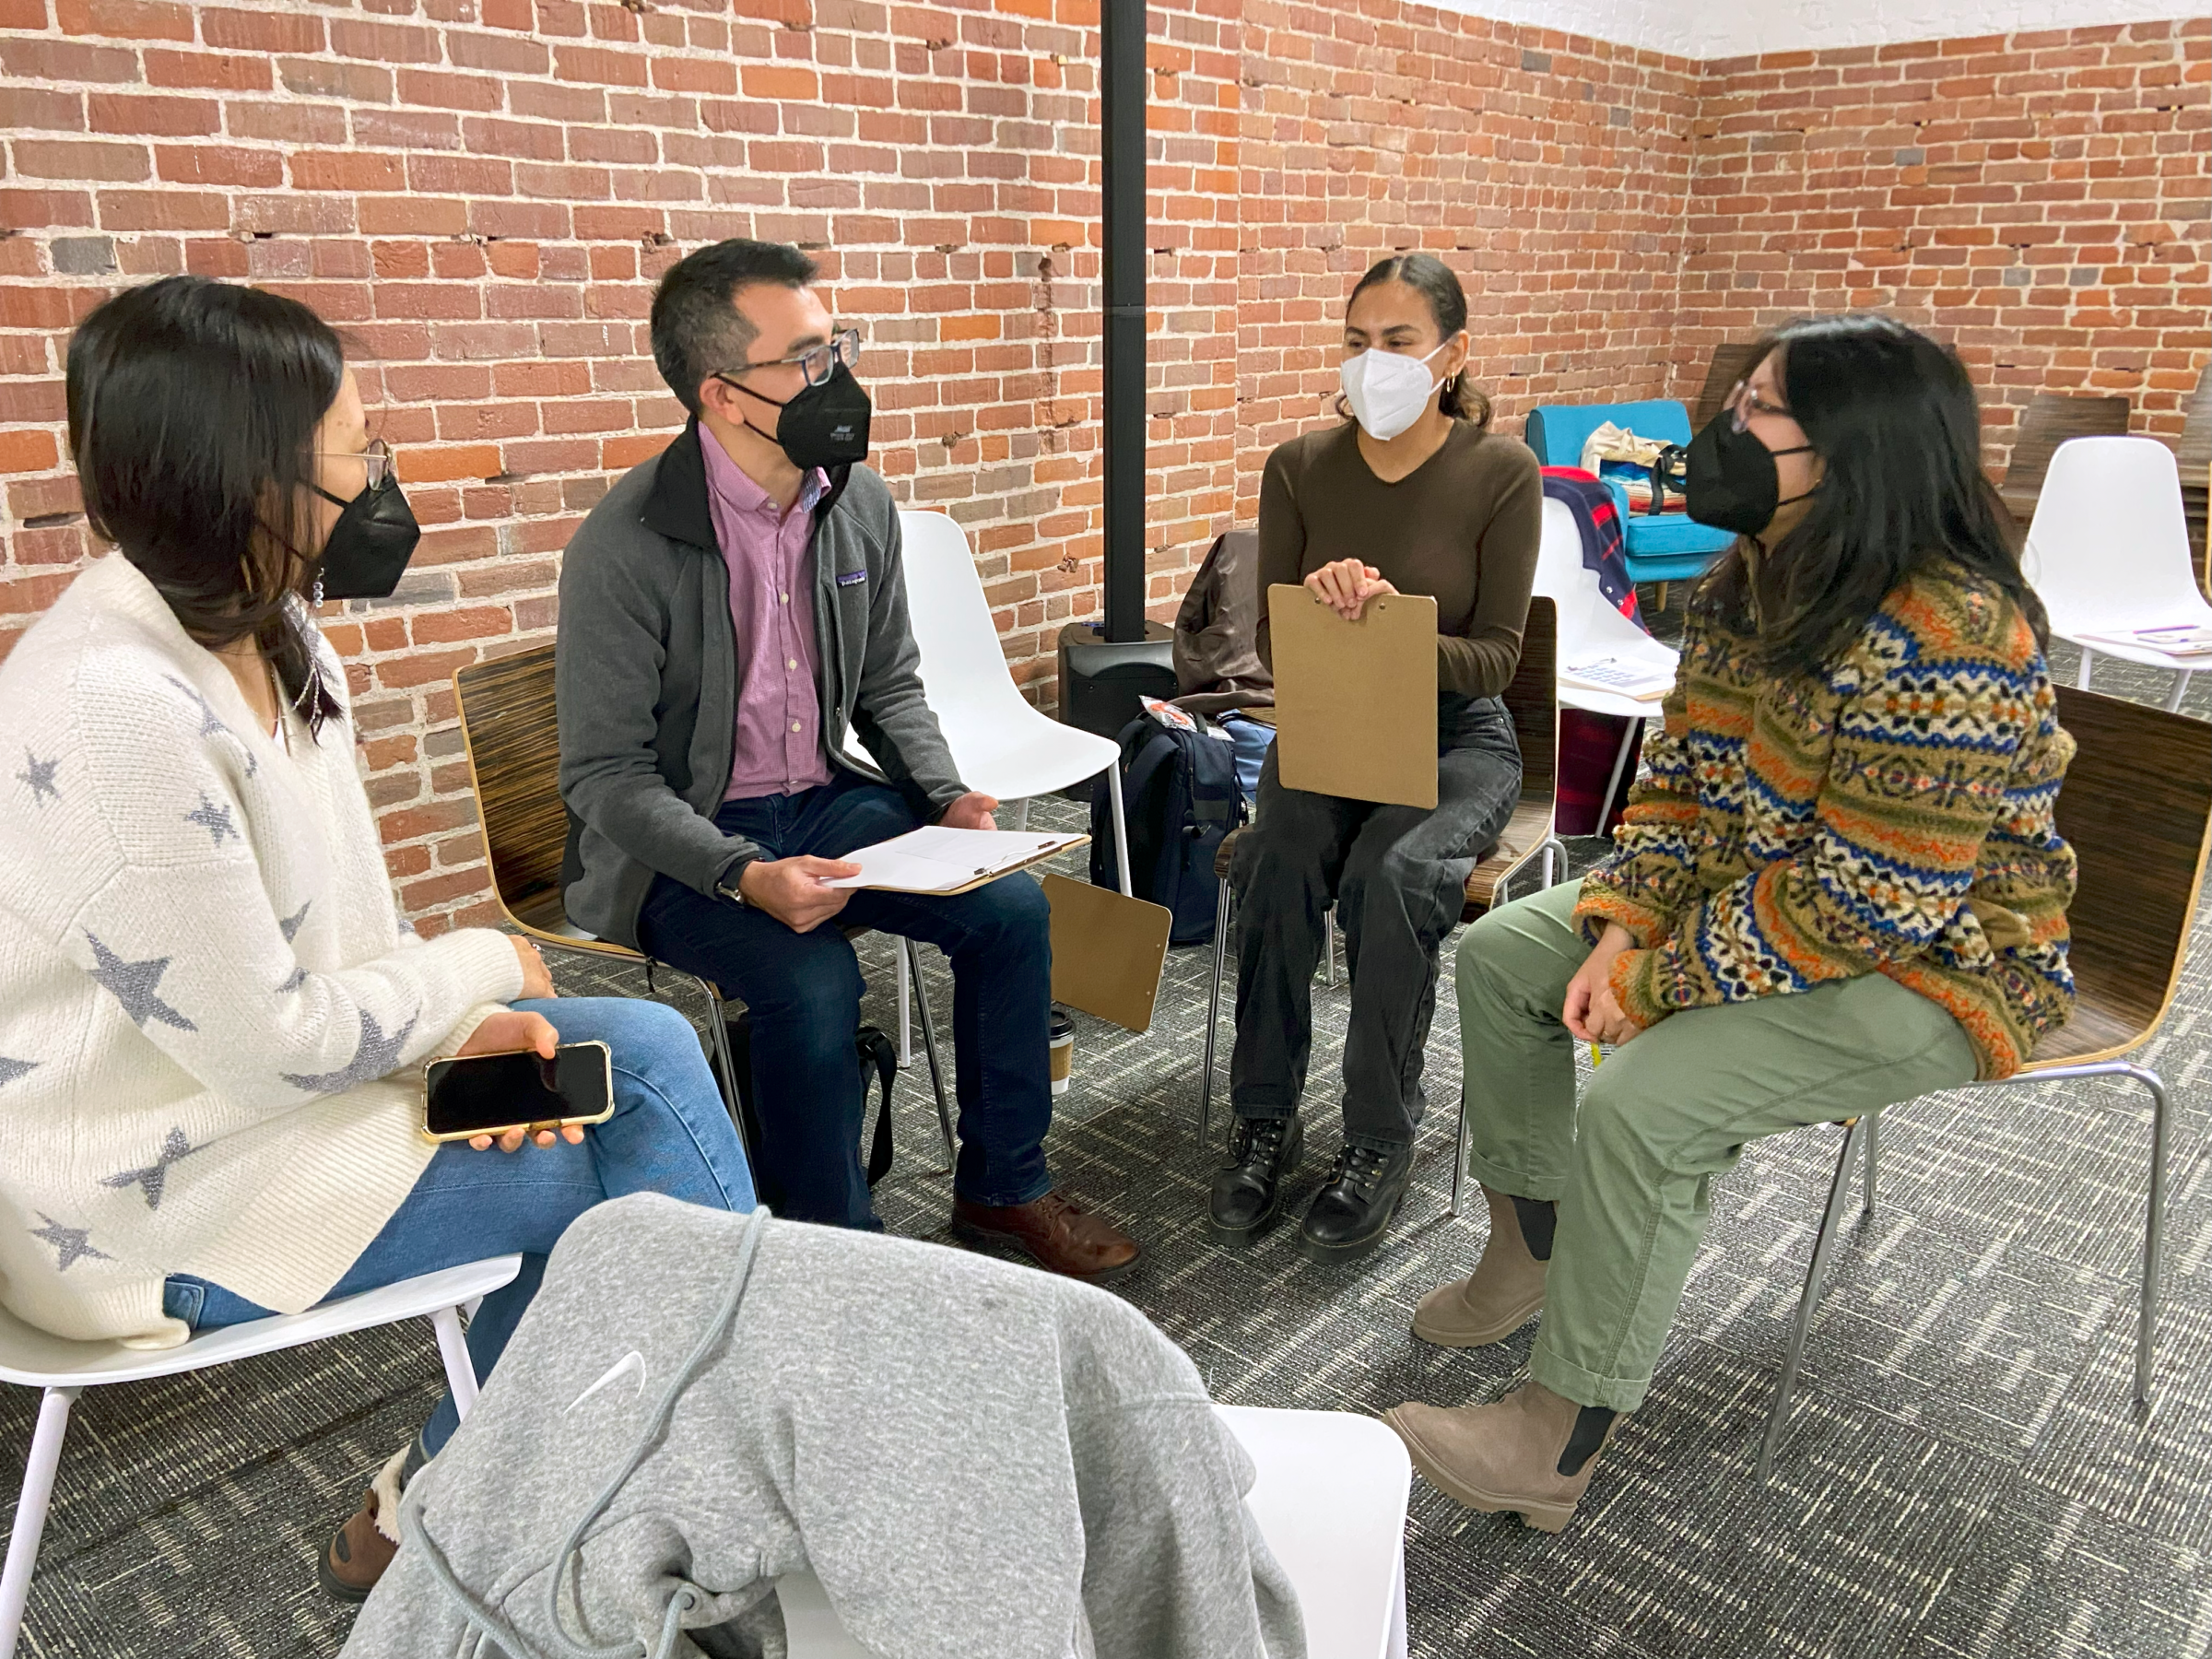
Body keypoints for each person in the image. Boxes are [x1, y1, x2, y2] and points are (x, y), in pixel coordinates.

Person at [0, 276, 757, 1602]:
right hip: (151, 1194)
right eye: (363, 455)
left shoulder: (274, 629)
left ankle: (494, 1487)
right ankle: (674, 1486)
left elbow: (345, 927)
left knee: (637, 1051)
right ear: (247, 480)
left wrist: (453, 1030)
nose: (385, 483)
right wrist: (481, 969)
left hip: (273, 1110)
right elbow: (271, 1046)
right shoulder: (109, 710)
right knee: (620, 1194)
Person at [1387, 313, 2077, 1532]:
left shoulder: (1952, 632)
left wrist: (1653, 986)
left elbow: (1873, 903)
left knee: (1649, 1105)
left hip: (1945, 966)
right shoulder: (1756, 575)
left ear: (1856, 451)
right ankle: (1536, 1245)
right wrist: (1619, 927)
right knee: (1502, 957)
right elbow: (1681, 784)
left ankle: (1560, 1435)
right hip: (1768, 895)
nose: (1723, 433)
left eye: (1760, 409)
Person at [556, 238, 1140, 1278]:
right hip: (684, 850)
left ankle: (1005, 1188)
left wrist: (947, 796)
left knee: (1011, 912)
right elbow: (605, 778)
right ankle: (840, 1265)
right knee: (815, 987)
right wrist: (742, 872)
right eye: (811, 358)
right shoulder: (625, 542)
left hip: (820, 803)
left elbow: (889, 686)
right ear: (723, 393)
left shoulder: (853, 502)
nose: (840, 380)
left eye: (839, 348)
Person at [1213, 253, 1540, 1261]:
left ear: (1451, 357)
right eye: (1357, 342)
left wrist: (1393, 624)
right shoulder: (1299, 467)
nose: (1372, 363)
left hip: (1455, 736)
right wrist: (1323, 612)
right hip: (1332, 722)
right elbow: (1269, 643)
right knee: (1275, 859)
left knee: (1390, 875)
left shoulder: (1501, 472)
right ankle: (1264, 1114)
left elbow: (1497, 656)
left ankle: (1377, 1136)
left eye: (1398, 342)